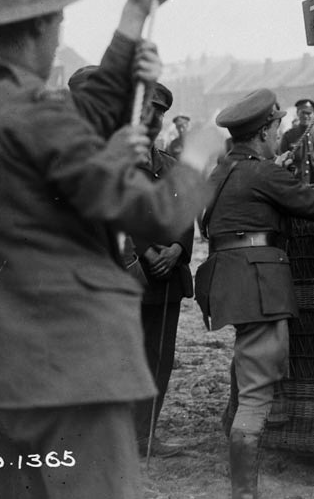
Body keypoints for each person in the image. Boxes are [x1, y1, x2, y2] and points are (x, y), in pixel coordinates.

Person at [0, 0, 224, 499]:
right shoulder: (31, 116)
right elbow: (158, 213)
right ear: (41, 28)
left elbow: (82, 111)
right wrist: (198, 159)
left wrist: (135, 13)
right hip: (72, 375)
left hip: (1, 373)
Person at [195, 88, 314, 499]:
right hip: (258, 282)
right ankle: (244, 493)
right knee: (257, 387)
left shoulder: (222, 171)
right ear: (264, 131)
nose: (277, 133)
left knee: (249, 368)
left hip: (228, 279)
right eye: (276, 126)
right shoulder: (263, 172)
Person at [130, 83, 195, 457]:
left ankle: (146, 436)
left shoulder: (170, 166)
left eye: (159, 113)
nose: (152, 120)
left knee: (159, 358)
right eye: (145, 111)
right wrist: (147, 250)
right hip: (129, 277)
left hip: (167, 281)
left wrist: (177, 248)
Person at [280, 98, 314, 185]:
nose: (306, 116)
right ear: (297, 113)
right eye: (303, 113)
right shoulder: (289, 136)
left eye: (309, 113)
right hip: (300, 185)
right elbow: (282, 163)